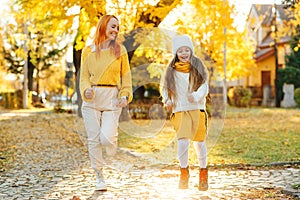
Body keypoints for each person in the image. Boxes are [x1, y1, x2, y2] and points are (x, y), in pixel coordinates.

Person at [79, 15, 133, 191]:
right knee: (94, 140)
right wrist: (86, 89)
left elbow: (126, 77)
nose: (116, 31)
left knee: (107, 139)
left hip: (112, 97)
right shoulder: (88, 51)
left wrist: (125, 95)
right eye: (113, 27)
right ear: (103, 27)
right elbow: (84, 77)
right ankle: (99, 176)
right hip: (92, 98)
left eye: (117, 27)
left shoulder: (121, 51)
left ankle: (111, 141)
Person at [161, 35, 209, 191]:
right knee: (183, 142)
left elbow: (204, 87)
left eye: (186, 50)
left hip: (197, 108)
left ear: (191, 51)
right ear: (176, 53)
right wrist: (167, 99)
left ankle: (203, 173)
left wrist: (195, 96)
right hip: (180, 109)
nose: (183, 53)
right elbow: (165, 88)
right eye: (180, 50)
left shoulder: (198, 67)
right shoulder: (171, 71)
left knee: (199, 142)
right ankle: (183, 172)